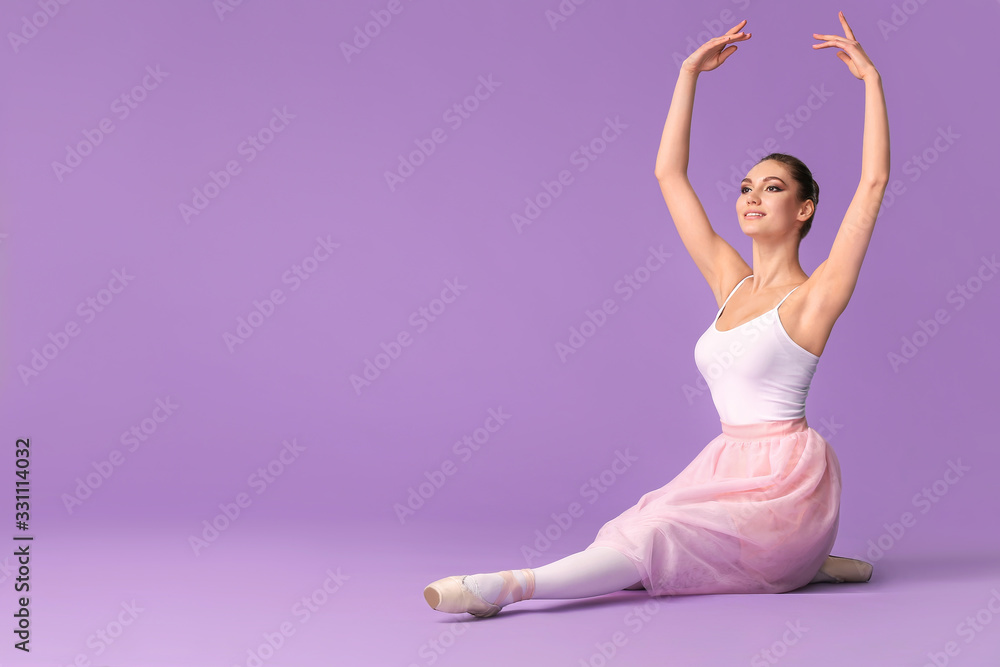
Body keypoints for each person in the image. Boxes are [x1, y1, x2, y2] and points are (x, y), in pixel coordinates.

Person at [423, 11, 889, 618]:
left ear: (804, 210)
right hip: (725, 467)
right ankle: (806, 568)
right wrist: (687, 74)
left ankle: (512, 587)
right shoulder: (730, 280)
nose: (752, 196)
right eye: (747, 186)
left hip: (785, 484)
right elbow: (668, 174)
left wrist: (871, 83)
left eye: (773, 188)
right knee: (645, 523)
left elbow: (872, 183)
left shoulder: (815, 297)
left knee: (654, 538)